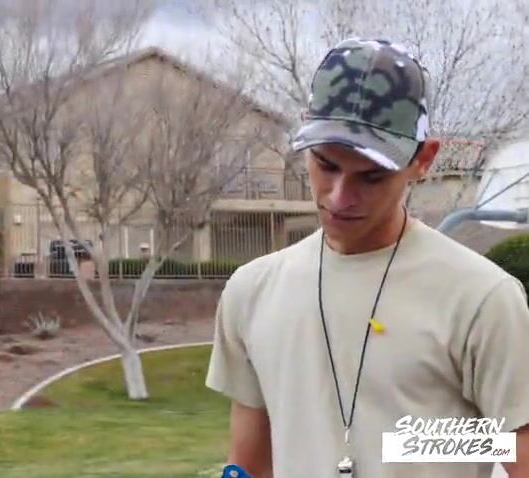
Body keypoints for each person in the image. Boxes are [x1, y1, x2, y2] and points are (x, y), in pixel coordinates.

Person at [205, 38, 529, 477]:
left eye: (371, 177)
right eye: (326, 165)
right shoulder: (251, 292)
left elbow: (514, 450)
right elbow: (247, 465)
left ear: (423, 159)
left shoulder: (482, 299)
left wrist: (417, 441)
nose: (340, 197)